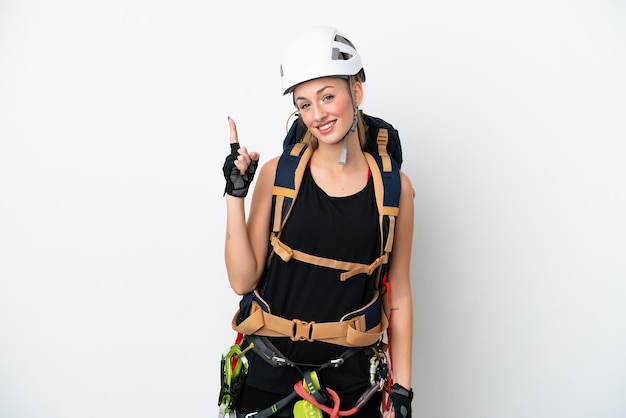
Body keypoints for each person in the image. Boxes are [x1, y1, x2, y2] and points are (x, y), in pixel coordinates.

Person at [222, 26, 414, 418]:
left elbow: (400, 297)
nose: (318, 115)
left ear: (355, 93)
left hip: (352, 386)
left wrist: (403, 391)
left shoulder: (395, 189)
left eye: (328, 97)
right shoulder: (279, 175)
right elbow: (242, 281)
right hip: (268, 381)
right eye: (304, 104)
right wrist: (234, 194)